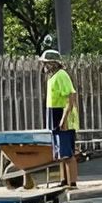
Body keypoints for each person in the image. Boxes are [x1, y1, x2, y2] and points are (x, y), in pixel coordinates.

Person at [41, 49, 81, 189]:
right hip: (54, 114)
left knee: (68, 153)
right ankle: (64, 181)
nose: (44, 66)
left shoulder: (62, 75)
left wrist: (64, 119)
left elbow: (70, 98)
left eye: (46, 63)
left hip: (62, 115)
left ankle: (72, 183)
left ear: (53, 63)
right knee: (60, 153)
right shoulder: (52, 77)